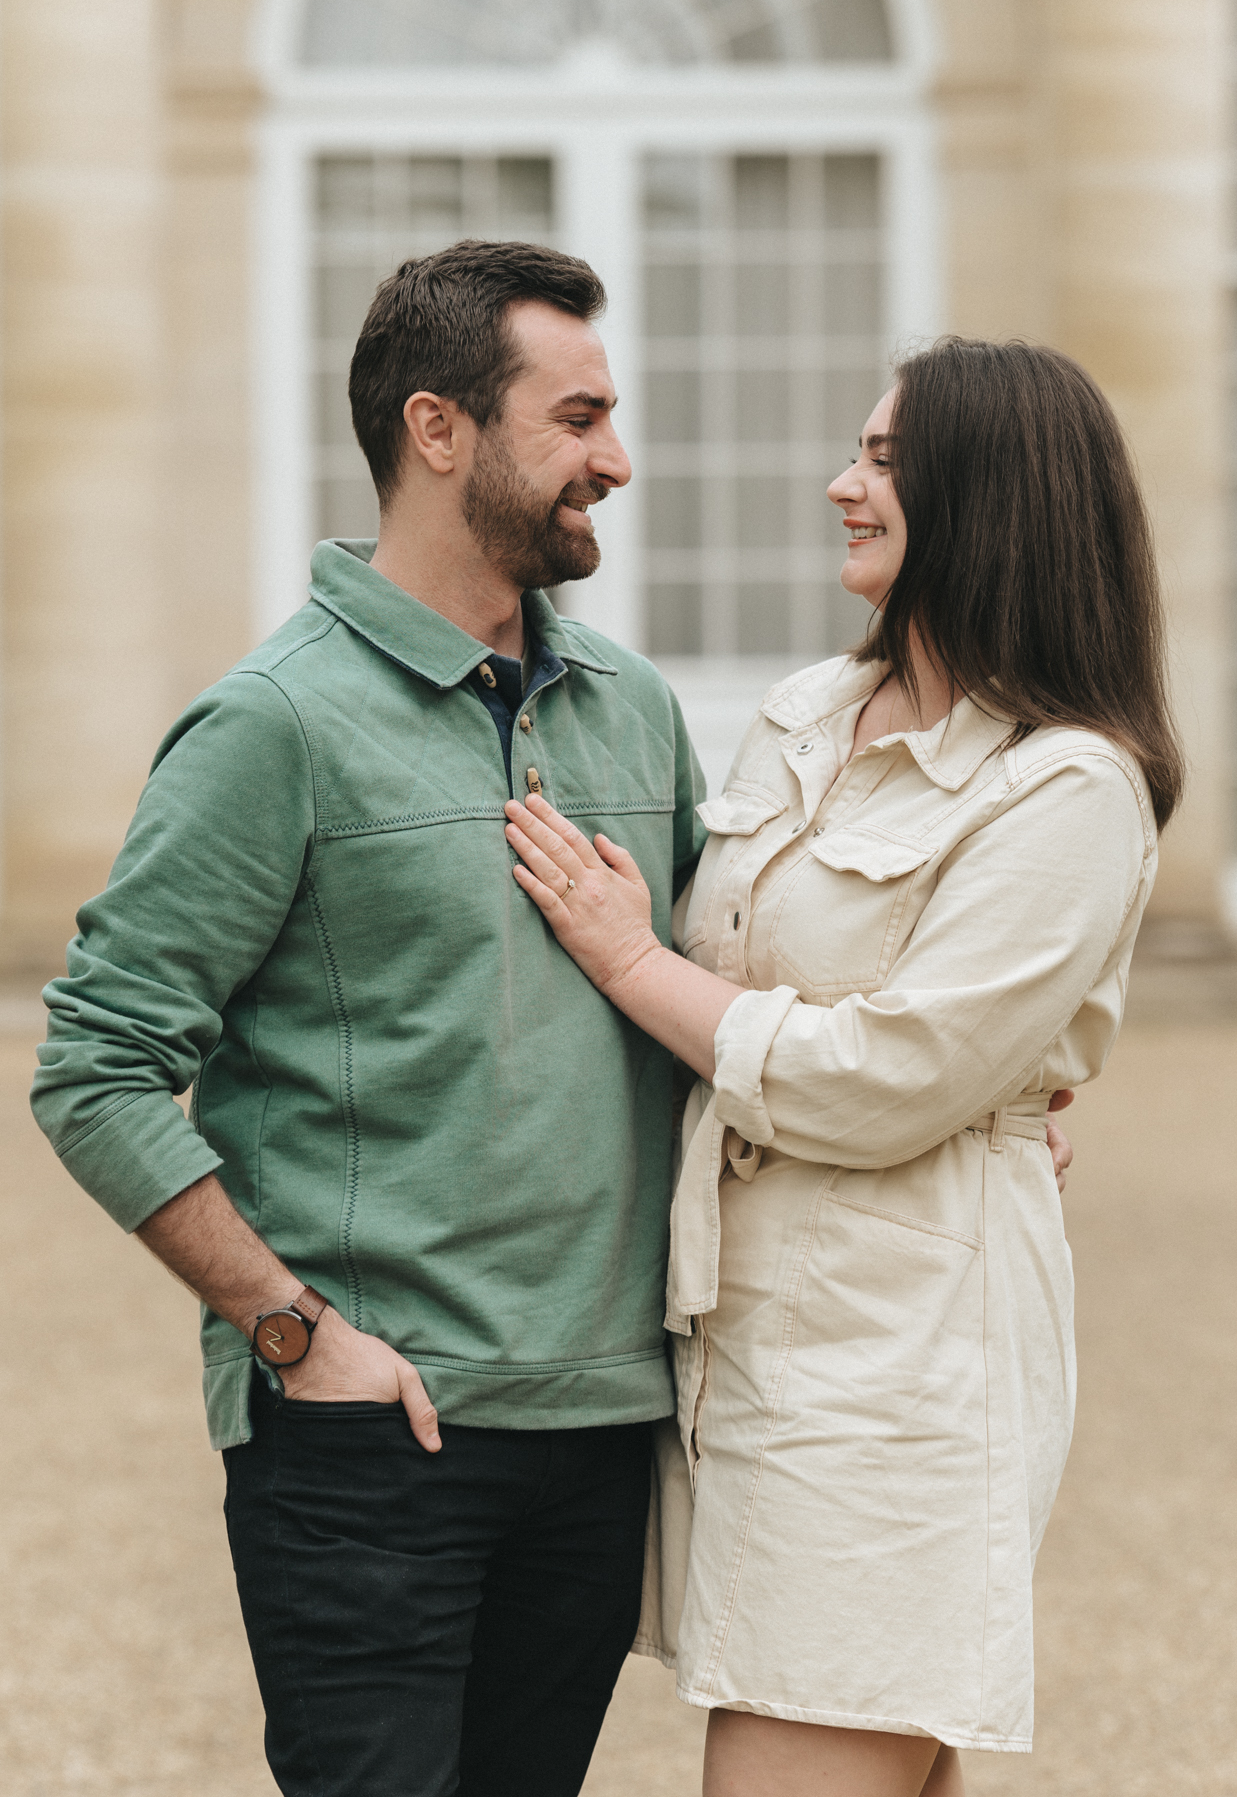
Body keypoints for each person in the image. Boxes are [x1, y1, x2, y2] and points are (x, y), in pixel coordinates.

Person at [30, 240, 709, 1797]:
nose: (617, 458)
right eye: (580, 415)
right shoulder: (272, 726)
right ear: (438, 428)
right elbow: (97, 1065)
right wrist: (289, 1332)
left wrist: (960, 1094)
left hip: (601, 1425)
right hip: (368, 1441)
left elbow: (719, 994)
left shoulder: (634, 708)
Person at [502, 337, 1181, 1797]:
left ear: (987, 499)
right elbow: (769, 996)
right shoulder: (809, 709)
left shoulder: (1068, 784)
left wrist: (630, 961)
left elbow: (882, 1079)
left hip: (898, 1362)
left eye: (879, 462)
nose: (838, 486)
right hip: (741, 1342)